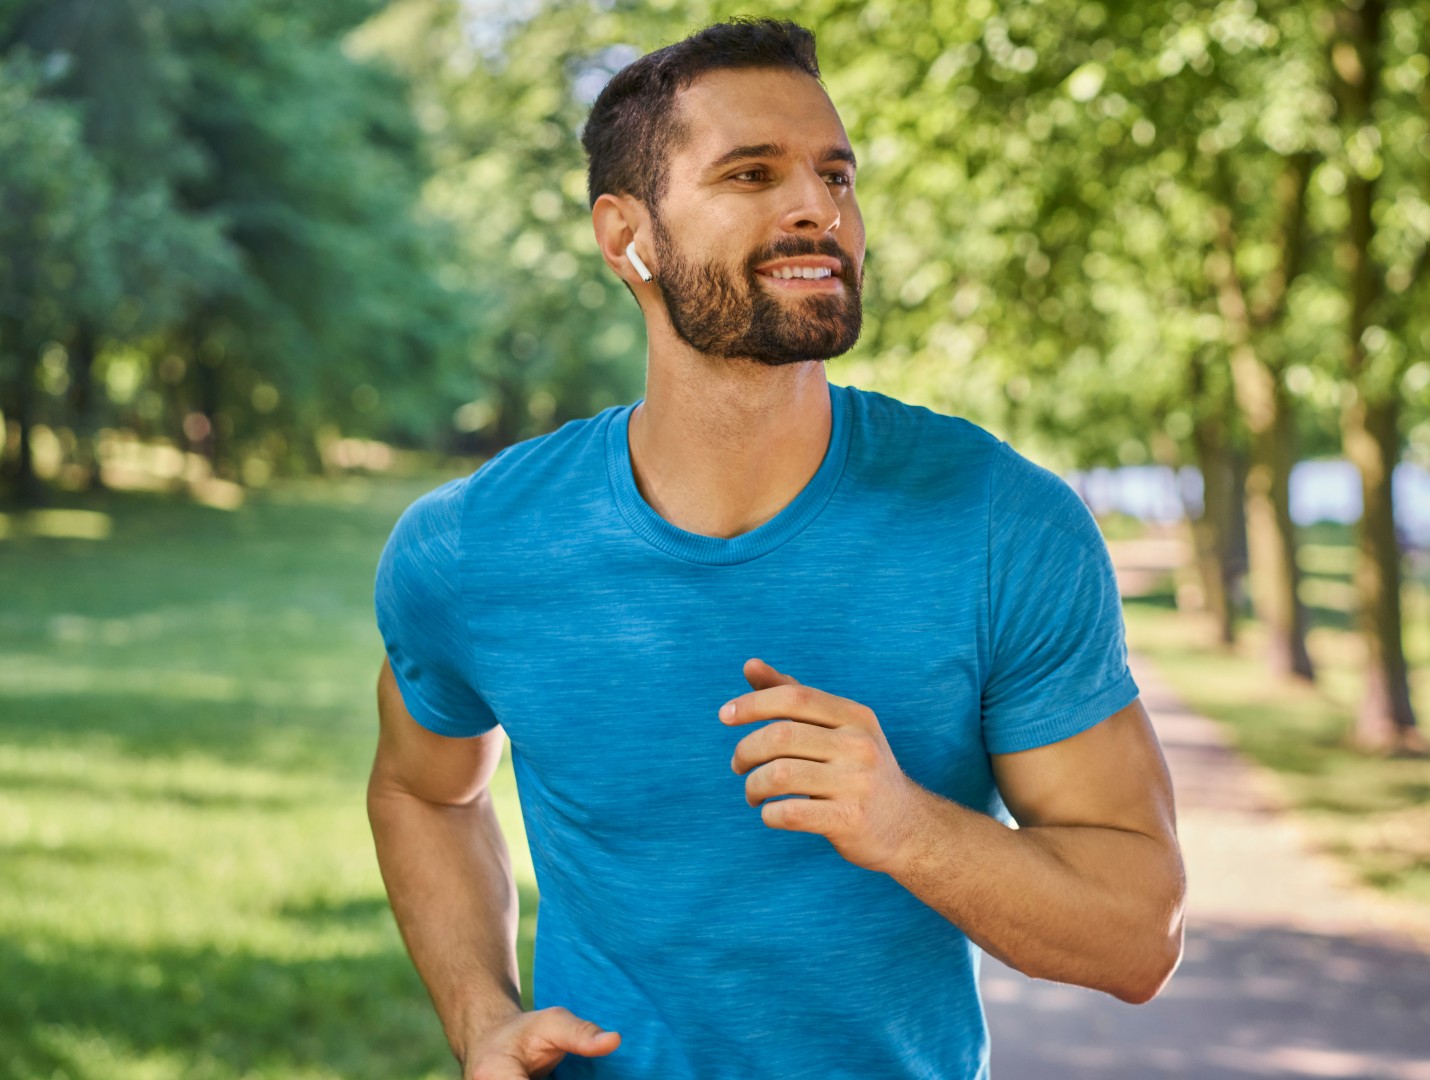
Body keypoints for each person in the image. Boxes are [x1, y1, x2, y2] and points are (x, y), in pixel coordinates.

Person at [367, 17, 1185, 1080]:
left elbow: (1138, 936)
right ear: (628, 238)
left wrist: (905, 827)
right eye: (752, 174)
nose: (817, 207)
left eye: (835, 176)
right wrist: (479, 1014)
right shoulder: (475, 546)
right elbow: (425, 791)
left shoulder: (1000, 524)